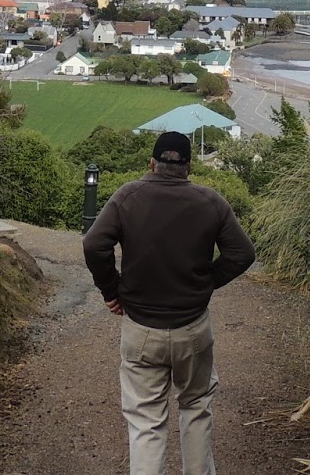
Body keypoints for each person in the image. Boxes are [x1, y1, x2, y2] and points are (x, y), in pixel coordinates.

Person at [82, 129, 256, 475]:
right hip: (192, 328)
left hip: (141, 328)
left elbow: (93, 245)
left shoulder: (128, 196)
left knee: (146, 421)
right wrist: (206, 282)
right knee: (195, 406)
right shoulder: (211, 202)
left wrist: (112, 291)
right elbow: (243, 253)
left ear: (152, 163)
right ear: (189, 167)